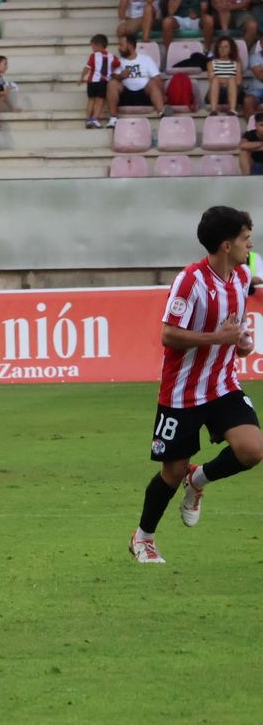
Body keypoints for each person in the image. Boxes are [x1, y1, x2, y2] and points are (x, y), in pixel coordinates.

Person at [131, 206, 263, 564]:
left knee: (252, 450)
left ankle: (199, 479)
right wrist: (218, 338)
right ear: (226, 245)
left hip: (223, 384)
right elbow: (168, 335)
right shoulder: (190, 281)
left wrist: (240, 343)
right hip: (182, 393)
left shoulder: (241, 276)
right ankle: (143, 538)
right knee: (171, 474)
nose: (251, 244)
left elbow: (234, 328)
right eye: (246, 238)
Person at [107, 36, 166, 123]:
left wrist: (163, 96)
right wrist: (121, 76)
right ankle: (113, 119)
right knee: (112, 83)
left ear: (130, 46)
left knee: (153, 83)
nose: (119, 48)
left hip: (144, 95)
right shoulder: (119, 61)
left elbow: (157, 79)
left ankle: (162, 113)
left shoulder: (146, 59)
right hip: (126, 95)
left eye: (121, 45)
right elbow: (113, 77)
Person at [80, 32, 118, 129]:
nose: (92, 49)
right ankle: (95, 119)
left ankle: (88, 119)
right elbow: (118, 64)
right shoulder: (111, 56)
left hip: (92, 82)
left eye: (92, 46)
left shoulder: (93, 56)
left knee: (91, 100)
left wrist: (81, 78)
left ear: (98, 45)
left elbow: (87, 68)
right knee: (99, 101)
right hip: (103, 82)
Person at [210, 35, 245, 113]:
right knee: (216, 80)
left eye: (226, 47)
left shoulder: (237, 63)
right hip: (217, 91)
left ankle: (232, 110)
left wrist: (224, 80)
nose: (222, 49)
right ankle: (213, 110)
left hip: (233, 90)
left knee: (231, 80)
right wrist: (226, 80)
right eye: (220, 47)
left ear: (230, 49)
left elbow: (238, 82)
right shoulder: (211, 63)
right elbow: (211, 80)